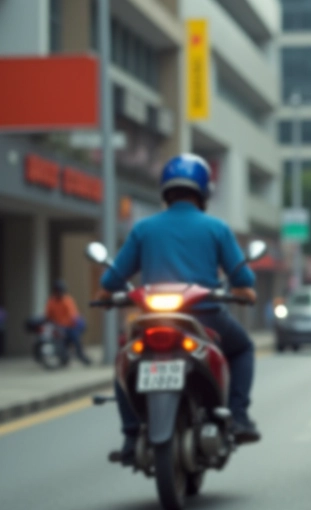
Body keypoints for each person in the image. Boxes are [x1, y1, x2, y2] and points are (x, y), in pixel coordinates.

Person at [98, 154, 261, 462]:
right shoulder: (216, 227)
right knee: (242, 349)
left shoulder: (144, 229)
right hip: (206, 316)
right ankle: (238, 416)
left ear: (165, 191)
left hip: (151, 319)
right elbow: (243, 279)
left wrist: (105, 294)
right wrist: (245, 292)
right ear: (203, 192)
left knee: (125, 358)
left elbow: (113, 279)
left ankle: (131, 435)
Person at [45, 279, 91, 365]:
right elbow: (48, 316)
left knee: (75, 337)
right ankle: (63, 357)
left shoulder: (67, 300)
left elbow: (73, 315)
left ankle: (80, 355)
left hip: (69, 326)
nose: (59, 293)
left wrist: (72, 324)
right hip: (58, 327)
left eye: (61, 291)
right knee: (58, 338)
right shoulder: (51, 302)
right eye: (57, 291)